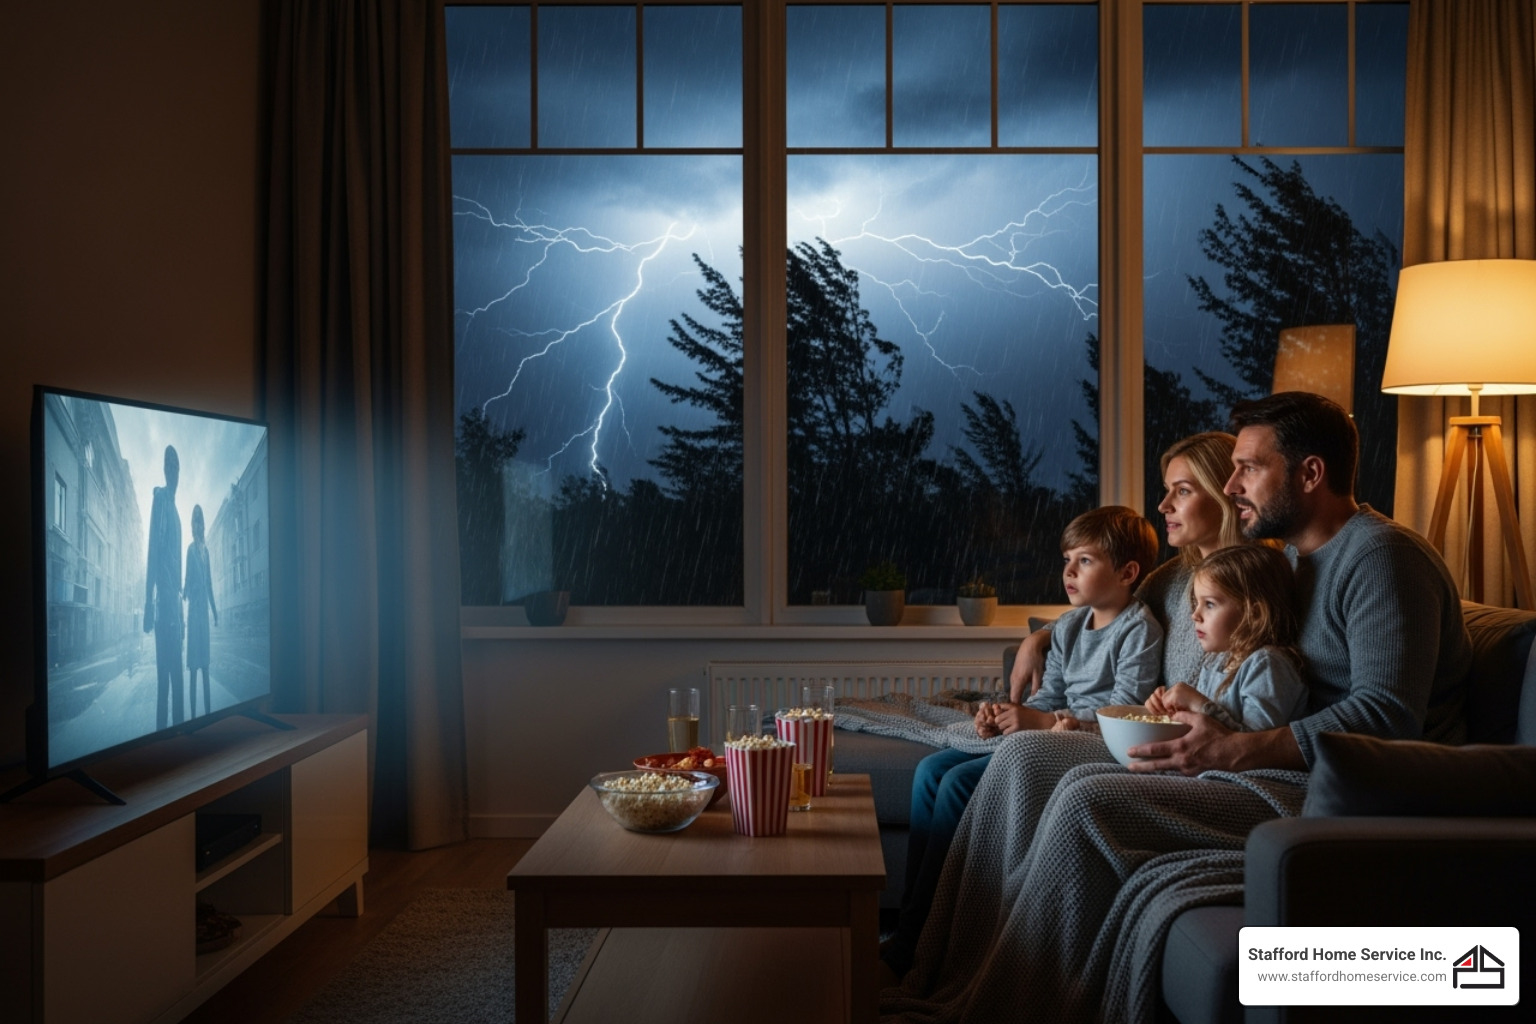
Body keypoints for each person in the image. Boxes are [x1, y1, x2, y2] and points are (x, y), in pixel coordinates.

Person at [881, 392, 1472, 1023]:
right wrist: (1046, 636)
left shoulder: (1382, 558)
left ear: (1310, 473)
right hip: (1273, 764)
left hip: (1331, 793)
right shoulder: (1289, 561)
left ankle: (1013, 1005)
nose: (1233, 485)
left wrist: (1230, 747)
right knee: (1025, 759)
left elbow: (1386, 716)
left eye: (1249, 468)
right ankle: (951, 970)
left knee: (1086, 799)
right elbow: (1126, 607)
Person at [881, 505, 1163, 978]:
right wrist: (1001, 716)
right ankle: (916, 917)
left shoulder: (1139, 631)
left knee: (958, 784)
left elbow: (1125, 712)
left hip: (1087, 741)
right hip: (1050, 729)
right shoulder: (1069, 627)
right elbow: (1048, 694)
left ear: (1127, 572)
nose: (1069, 572)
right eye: (1067, 560)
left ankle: (915, 940)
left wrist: (1042, 720)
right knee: (931, 771)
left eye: (1085, 561)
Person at [1007, 431, 1248, 703]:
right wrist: (1038, 638)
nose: (1163, 506)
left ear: (1224, 493)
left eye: (1182, 491)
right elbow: (1110, 612)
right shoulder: (1171, 577)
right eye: (1167, 490)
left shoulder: (1262, 577)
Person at [1144, 543, 1307, 732]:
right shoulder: (1217, 660)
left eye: (1209, 604)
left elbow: (1254, 743)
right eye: (1196, 603)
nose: (1195, 615)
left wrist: (1198, 704)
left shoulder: (1268, 665)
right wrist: (1171, 710)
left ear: (1254, 614)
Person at [144, 444, 184, 730]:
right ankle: (162, 743)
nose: (173, 471)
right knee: (166, 684)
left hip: (174, 606)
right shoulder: (160, 498)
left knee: (176, 681)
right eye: (169, 465)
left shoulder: (176, 511)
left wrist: (180, 612)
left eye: (176, 466)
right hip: (164, 605)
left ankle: (181, 741)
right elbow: (152, 551)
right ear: (164, 469)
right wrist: (148, 601)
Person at [184, 504, 218, 718]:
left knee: (205, 667)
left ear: (203, 525)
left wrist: (215, 611)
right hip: (194, 613)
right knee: (194, 669)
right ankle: (194, 719)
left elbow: (210, 584)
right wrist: (184, 592)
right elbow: (187, 581)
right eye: (195, 521)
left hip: (203, 615)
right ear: (192, 525)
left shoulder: (206, 552)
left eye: (200, 521)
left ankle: (208, 717)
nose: (198, 525)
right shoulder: (190, 550)